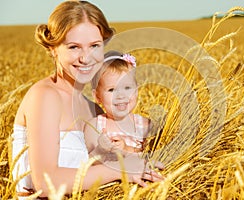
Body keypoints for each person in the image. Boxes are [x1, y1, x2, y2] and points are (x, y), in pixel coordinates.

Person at [11, 1, 163, 198]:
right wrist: (120, 169)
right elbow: (46, 183)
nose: (86, 58)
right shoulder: (46, 96)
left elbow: (97, 173)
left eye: (94, 46)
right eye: (74, 47)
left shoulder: (96, 111)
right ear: (53, 49)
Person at [84, 51, 151, 163]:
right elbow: (87, 162)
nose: (120, 95)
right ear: (97, 96)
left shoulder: (145, 126)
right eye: (111, 89)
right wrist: (100, 151)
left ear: (136, 91)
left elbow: (150, 156)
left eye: (127, 88)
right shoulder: (94, 126)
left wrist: (126, 150)